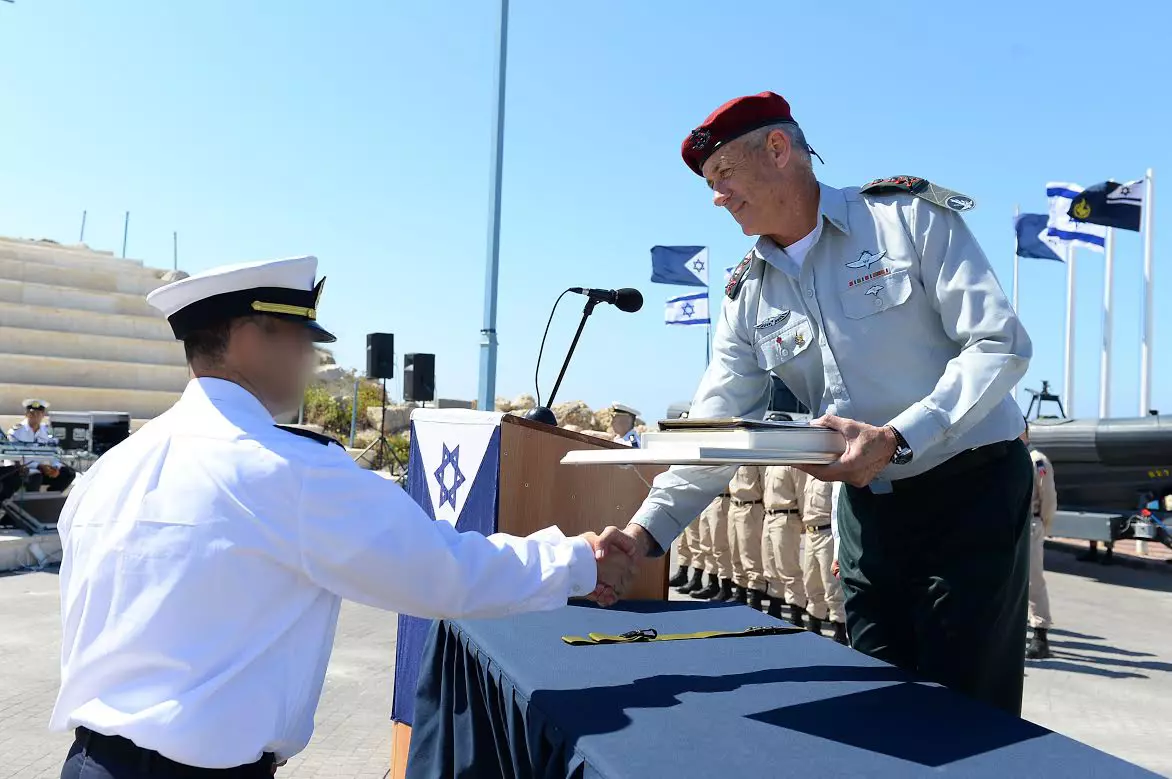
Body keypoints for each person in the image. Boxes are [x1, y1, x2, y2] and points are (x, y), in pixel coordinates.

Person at [51, 256, 639, 778]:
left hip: (88, 761)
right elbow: (442, 572)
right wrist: (579, 558)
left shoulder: (111, 469)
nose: (309, 360)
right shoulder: (285, 468)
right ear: (252, 338)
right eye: (302, 341)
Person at [607, 91, 1034, 715]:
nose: (716, 196)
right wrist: (643, 537)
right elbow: (715, 432)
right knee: (877, 697)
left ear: (778, 149)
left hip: (970, 496)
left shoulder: (906, 220)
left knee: (966, 711)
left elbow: (1000, 345)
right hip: (870, 513)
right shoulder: (747, 294)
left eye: (723, 174)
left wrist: (900, 437)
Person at [1023, 421, 1057, 659]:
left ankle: (1040, 633)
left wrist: (1043, 526)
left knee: (1034, 580)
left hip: (1031, 524)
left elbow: (1048, 498)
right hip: (1013, 525)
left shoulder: (1037, 460)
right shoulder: (1012, 456)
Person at [800, 476, 848, 645]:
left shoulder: (832, 477)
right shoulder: (809, 476)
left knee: (832, 586)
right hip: (810, 533)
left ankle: (840, 629)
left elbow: (837, 506)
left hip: (826, 533)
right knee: (811, 582)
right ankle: (814, 625)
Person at [761, 465, 808, 625]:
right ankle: (775, 607)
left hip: (786, 517)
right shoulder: (770, 464)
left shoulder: (792, 465)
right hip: (769, 515)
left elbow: (802, 492)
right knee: (770, 566)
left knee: (788, 568)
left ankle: (796, 613)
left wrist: (804, 520)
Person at [8, 399, 76, 493]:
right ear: (26, 413)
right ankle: (31, 506)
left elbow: (55, 451)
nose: (35, 416)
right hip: (24, 470)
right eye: (32, 413)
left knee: (68, 473)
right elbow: (15, 458)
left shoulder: (47, 431)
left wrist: (55, 467)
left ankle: (50, 499)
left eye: (38, 413)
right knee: (36, 476)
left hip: (43, 469)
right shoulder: (16, 432)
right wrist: (38, 466)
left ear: (43, 414)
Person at [726, 465, 769, 609]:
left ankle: (755, 595)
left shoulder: (754, 458)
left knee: (750, 555)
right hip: (733, 505)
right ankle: (740, 591)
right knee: (735, 553)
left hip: (751, 507)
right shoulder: (732, 457)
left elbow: (765, 483)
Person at [690, 490, 735, 600]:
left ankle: (726, 587)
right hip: (708, 498)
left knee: (720, 546)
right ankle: (712, 584)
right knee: (706, 544)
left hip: (723, 499)